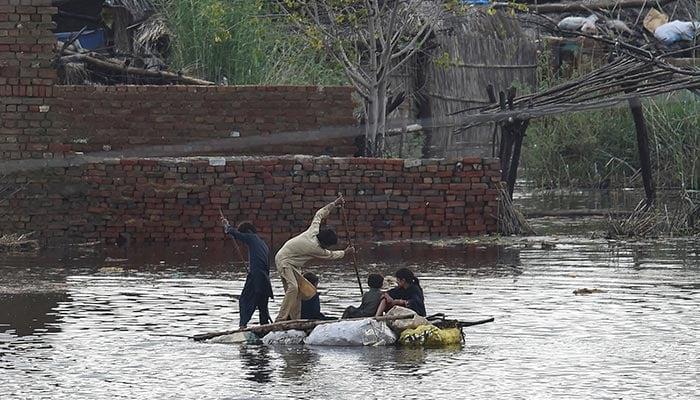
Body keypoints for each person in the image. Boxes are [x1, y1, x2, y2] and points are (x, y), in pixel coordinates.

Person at [274, 195, 354, 322]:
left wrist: (334, 203)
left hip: (292, 263)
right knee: (293, 288)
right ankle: (281, 318)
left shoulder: (314, 231)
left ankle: (295, 318)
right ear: (325, 243)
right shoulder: (314, 247)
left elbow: (319, 214)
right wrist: (345, 252)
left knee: (299, 292)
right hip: (284, 260)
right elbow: (330, 255)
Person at [222, 219, 273, 329]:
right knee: (262, 306)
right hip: (265, 279)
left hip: (256, 276)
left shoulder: (252, 237)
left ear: (247, 232)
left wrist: (227, 227)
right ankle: (265, 327)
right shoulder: (263, 244)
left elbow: (237, 234)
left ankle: (242, 326)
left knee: (245, 300)